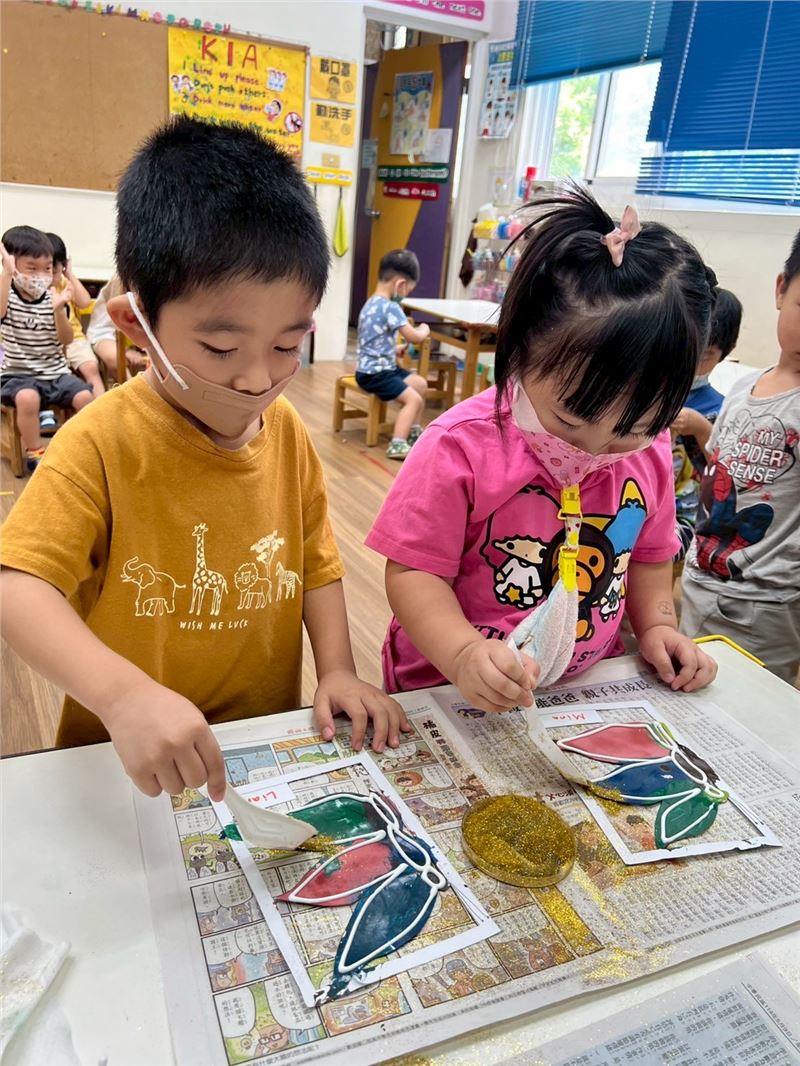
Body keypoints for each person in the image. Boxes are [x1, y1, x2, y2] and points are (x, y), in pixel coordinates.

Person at [0, 116, 407, 803]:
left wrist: (337, 669)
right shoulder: (100, 443)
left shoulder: (286, 434)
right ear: (136, 325)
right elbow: (17, 588)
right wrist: (121, 695)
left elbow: (316, 563)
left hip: (256, 748)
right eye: (221, 349)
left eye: (286, 346)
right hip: (128, 764)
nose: (257, 379)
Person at [366, 187, 718, 711]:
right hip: (448, 686)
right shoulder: (459, 447)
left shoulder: (651, 453)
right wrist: (462, 653)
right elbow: (415, 572)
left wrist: (658, 627)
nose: (594, 449)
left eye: (633, 428)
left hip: (577, 688)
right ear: (519, 353)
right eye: (571, 420)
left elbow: (650, 556)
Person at [680, 230, 800, 683]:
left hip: (765, 604)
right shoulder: (743, 387)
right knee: (687, 690)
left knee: (754, 703)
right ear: (780, 290)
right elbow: (717, 468)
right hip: (701, 579)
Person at [0, 225, 94, 472]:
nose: (41, 275)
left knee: (85, 397)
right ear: (12, 264)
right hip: (19, 376)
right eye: (32, 268)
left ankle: (81, 449)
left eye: (47, 268)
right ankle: (35, 451)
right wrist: (6, 274)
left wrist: (58, 311)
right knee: (27, 398)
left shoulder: (55, 297)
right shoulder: (7, 296)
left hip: (56, 373)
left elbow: (66, 339)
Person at [672, 288, 743, 558]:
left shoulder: (722, 408)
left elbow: (726, 471)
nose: (693, 361)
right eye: (689, 349)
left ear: (725, 353)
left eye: (705, 355)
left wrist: (702, 429)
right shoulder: (651, 394)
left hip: (688, 516)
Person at [355, 249, 429, 460]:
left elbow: (371, 340)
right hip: (377, 374)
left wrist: (394, 349)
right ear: (400, 284)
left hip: (372, 370)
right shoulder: (391, 308)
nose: (406, 295)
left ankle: (413, 431)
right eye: (408, 290)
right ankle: (397, 444)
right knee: (414, 400)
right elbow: (414, 337)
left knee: (420, 384)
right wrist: (424, 329)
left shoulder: (370, 303)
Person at [47, 231, 106, 399]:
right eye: (46, 270)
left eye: (55, 272)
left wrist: (69, 275)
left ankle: (100, 407)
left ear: (63, 267)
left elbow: (85, 302)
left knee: (91, 368)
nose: (50, 277)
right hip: (46, 341)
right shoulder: (34, 289)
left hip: (74, 339)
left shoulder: (65, 283)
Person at [86, 273, 148, 381]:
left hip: (135, 332)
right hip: (104, 332)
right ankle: (133, 390)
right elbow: (119, 315)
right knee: (116, 360)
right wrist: (126, 351)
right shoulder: (121, 278)